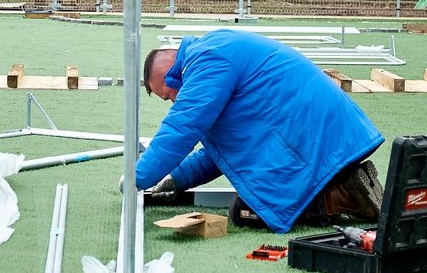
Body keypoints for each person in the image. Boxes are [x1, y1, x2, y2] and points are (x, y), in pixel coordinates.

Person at [132, 29, 385, 234]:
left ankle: (338, 196)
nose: (174, 101)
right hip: (329, 132)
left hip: (310, 135)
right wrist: (179, 177)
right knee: (256, 195)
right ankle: (344, 182)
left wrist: (137, 177)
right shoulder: (213, 49)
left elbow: (181, 128)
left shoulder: (206, 62)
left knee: (247, 211)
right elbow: (227, 148)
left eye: (168, 95)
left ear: (172, 75)